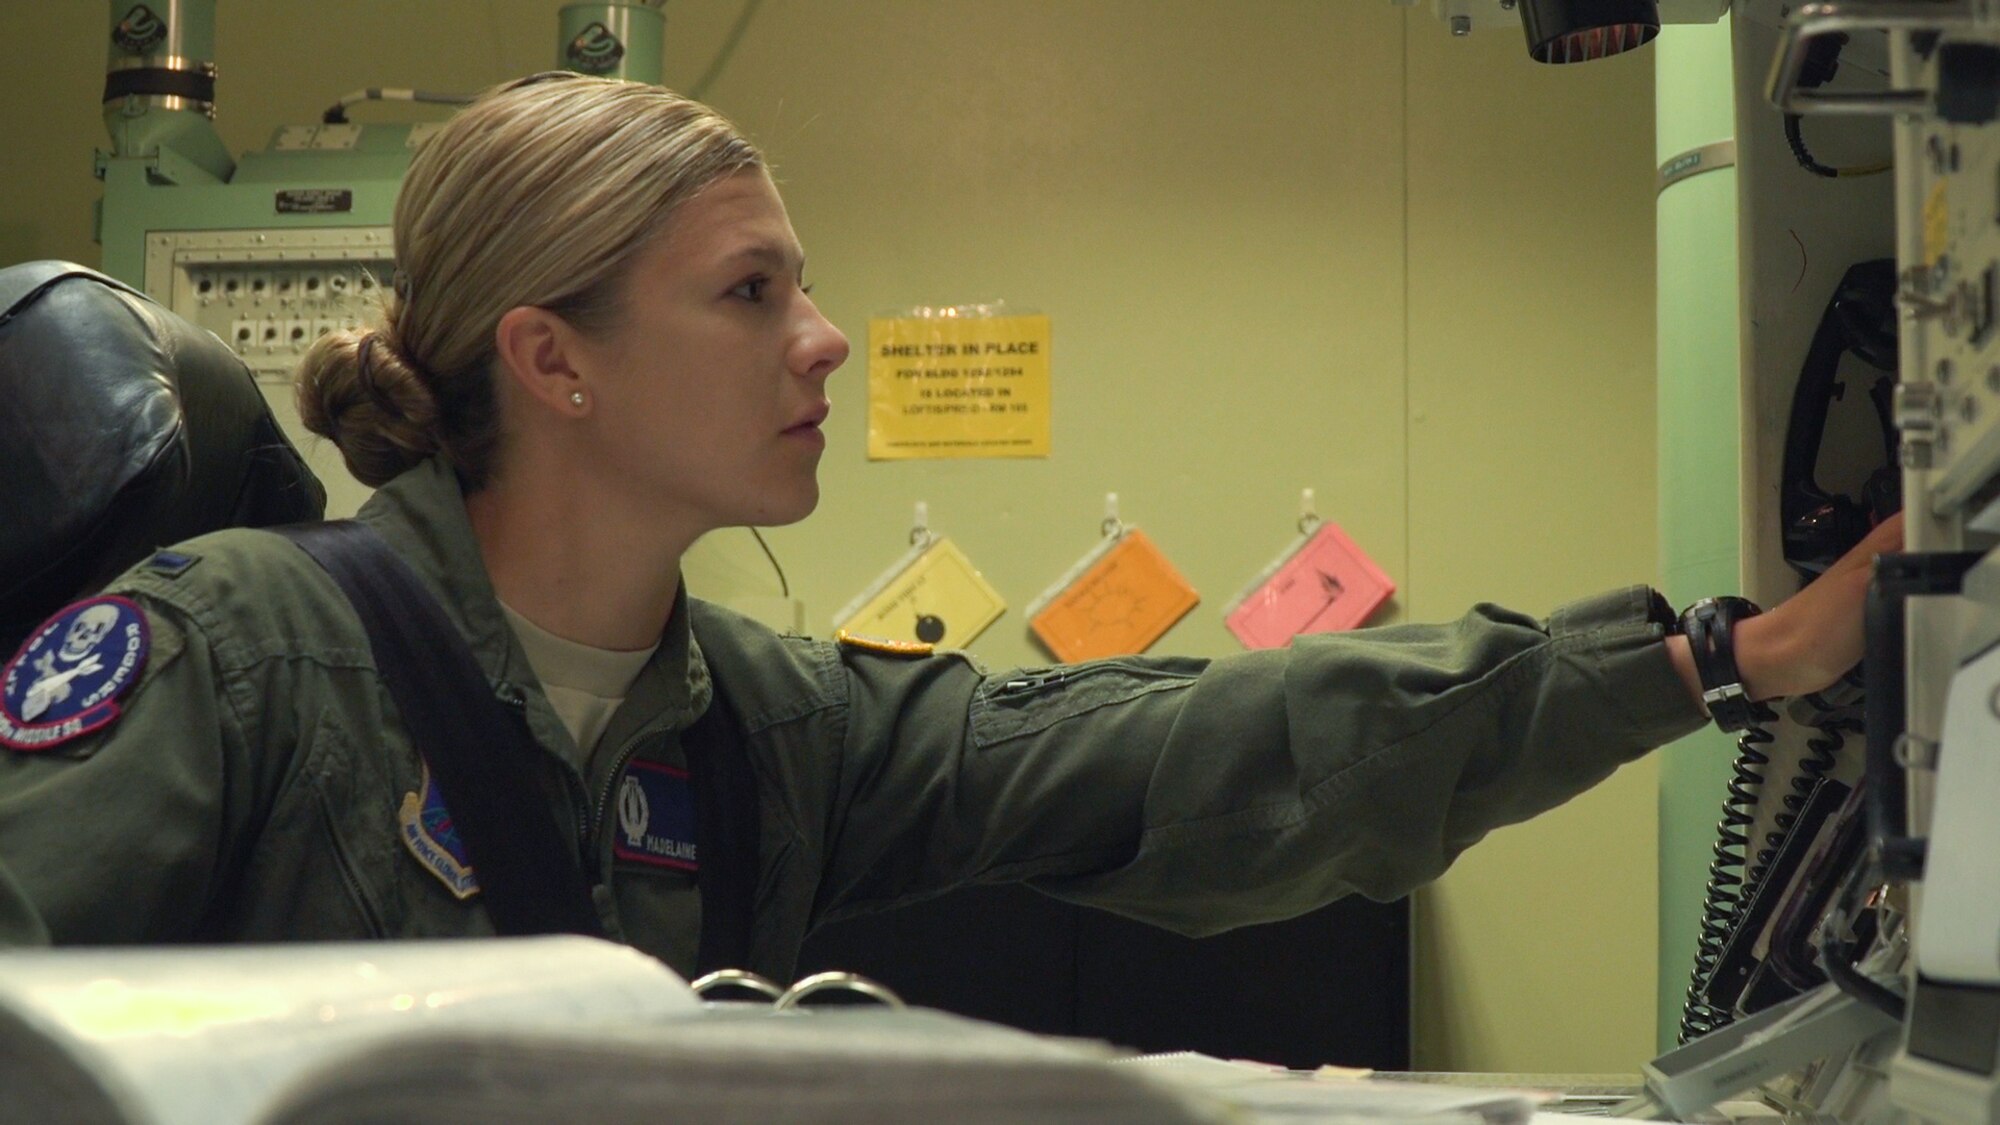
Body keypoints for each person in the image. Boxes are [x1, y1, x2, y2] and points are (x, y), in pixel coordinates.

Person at [0, 73, 1899, 978]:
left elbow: (1180, 750)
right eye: (751, 295)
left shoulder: (768, 730)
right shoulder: (231, 653)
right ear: (551, 361)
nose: (824, 338)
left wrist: (1710, 660)